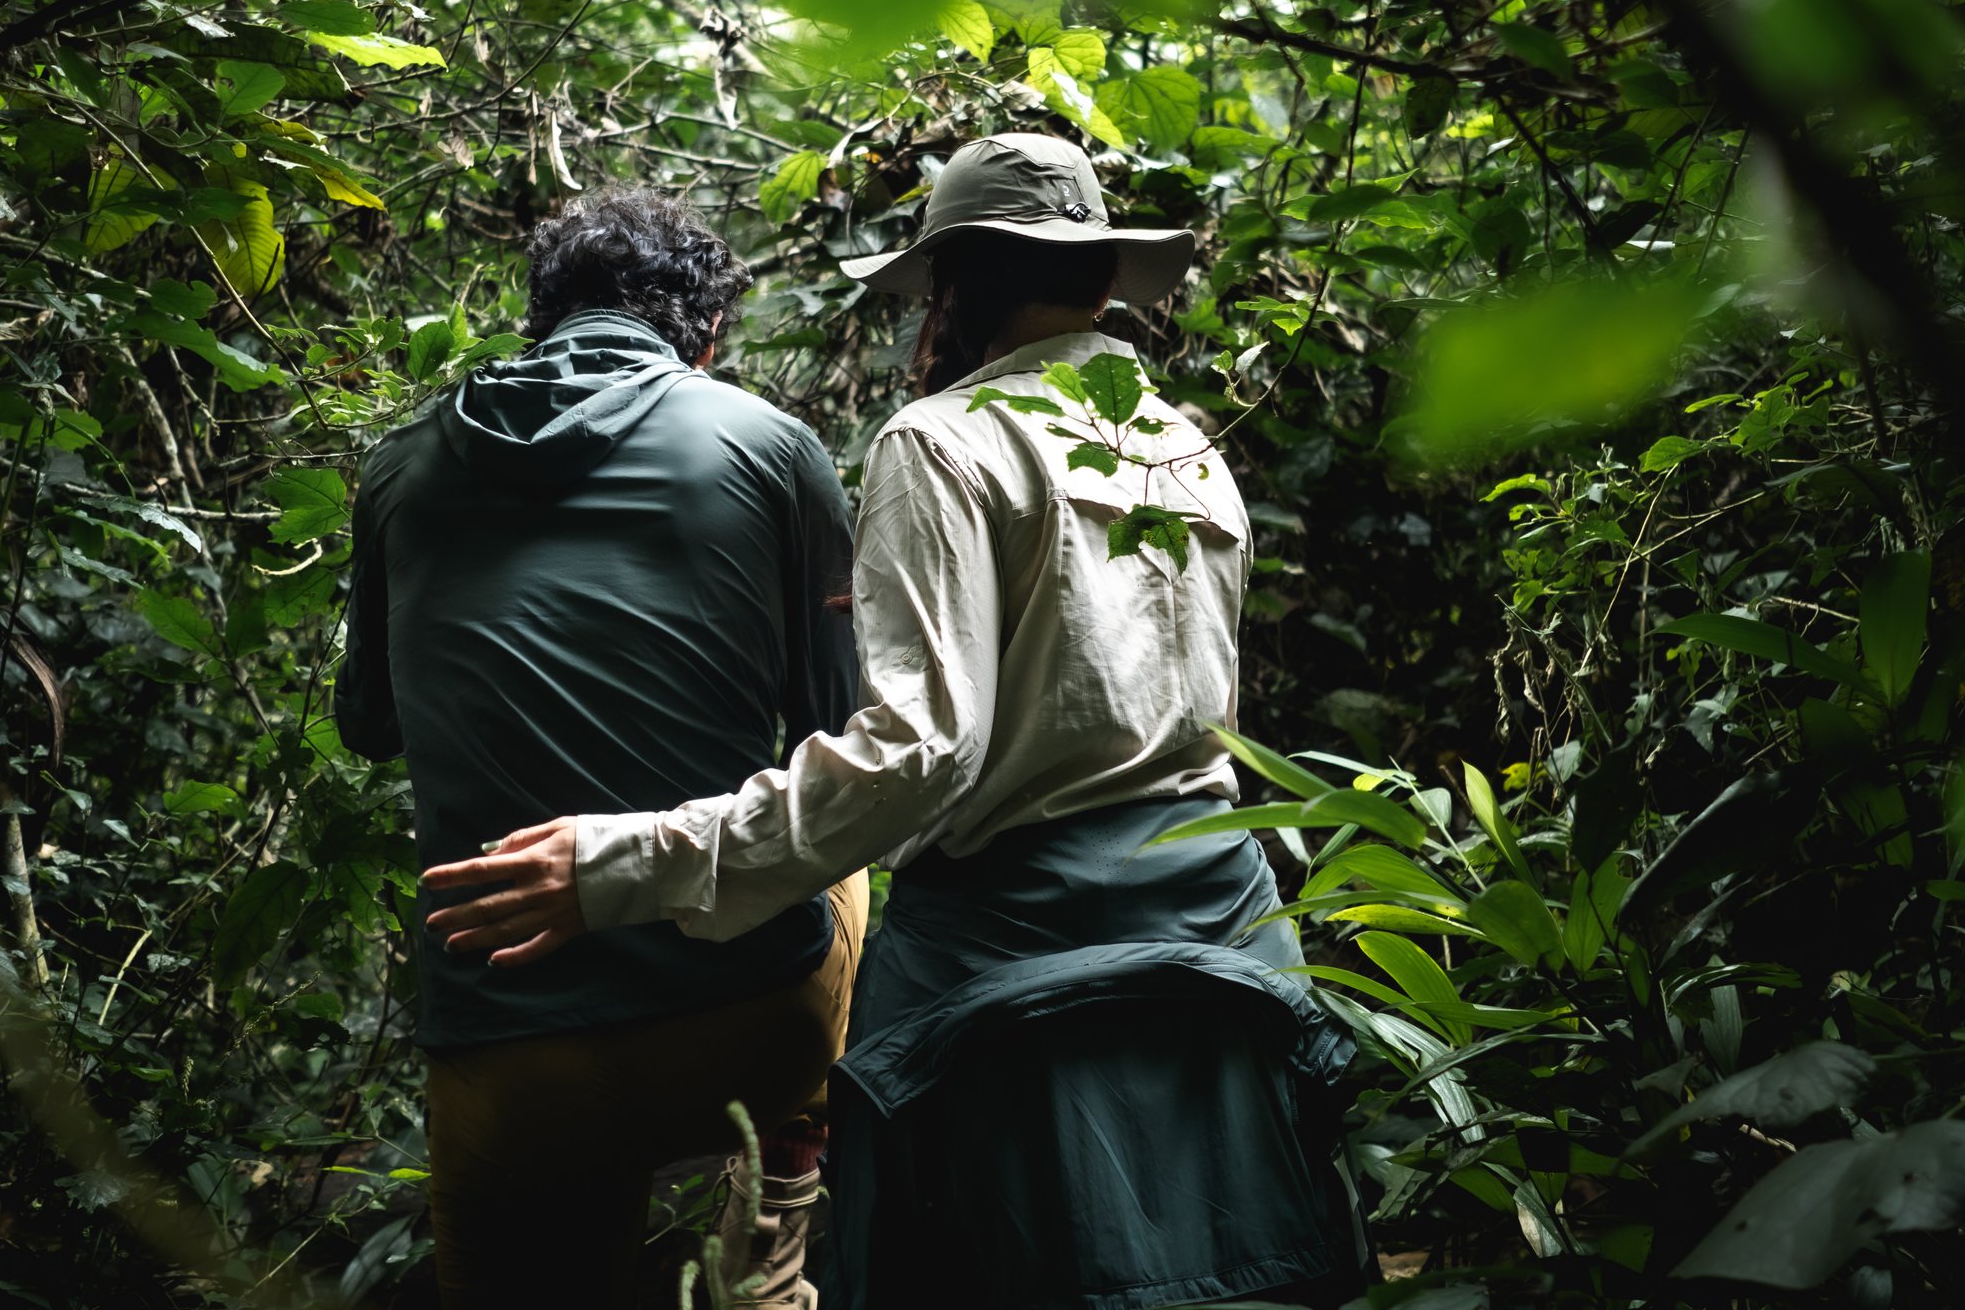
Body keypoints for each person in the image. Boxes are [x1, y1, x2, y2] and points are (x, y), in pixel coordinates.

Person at [422, 134, 1370, 1309]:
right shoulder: (1184, 445)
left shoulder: (942, 441)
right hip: (1216, 920)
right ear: (1098, 281)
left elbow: (921, 753)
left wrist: (616, 864)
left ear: (959, 284)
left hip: (1012, 944)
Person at [338, 186, 867, 1310]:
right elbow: (841, 725)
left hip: (505, 1043)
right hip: (744, 1007)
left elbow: (369, 725)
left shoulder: (396, 464)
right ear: (708, 336)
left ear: (540, 320)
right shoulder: (771, 444)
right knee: (848, 833)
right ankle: (773, 1218)